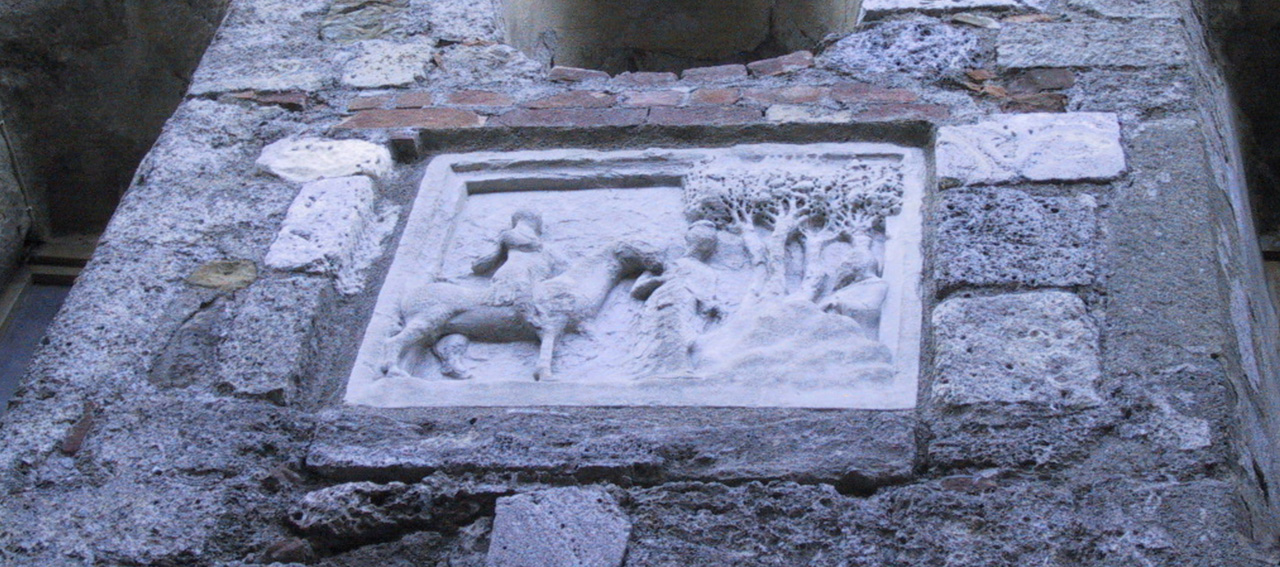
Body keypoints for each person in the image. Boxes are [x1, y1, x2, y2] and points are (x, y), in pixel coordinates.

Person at [629, 220, 724, 377]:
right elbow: (637, 290)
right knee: (661, 336)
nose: (704, 248)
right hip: (661, 305)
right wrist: (661, 280)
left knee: (683, 336)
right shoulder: (669, 265)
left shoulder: (707, 273)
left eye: (708, 243)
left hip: (687, 308)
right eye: (701, 242)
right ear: (689, 241)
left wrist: (713, 307)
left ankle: (678, 368)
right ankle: (654, 371)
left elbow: (706, 300)